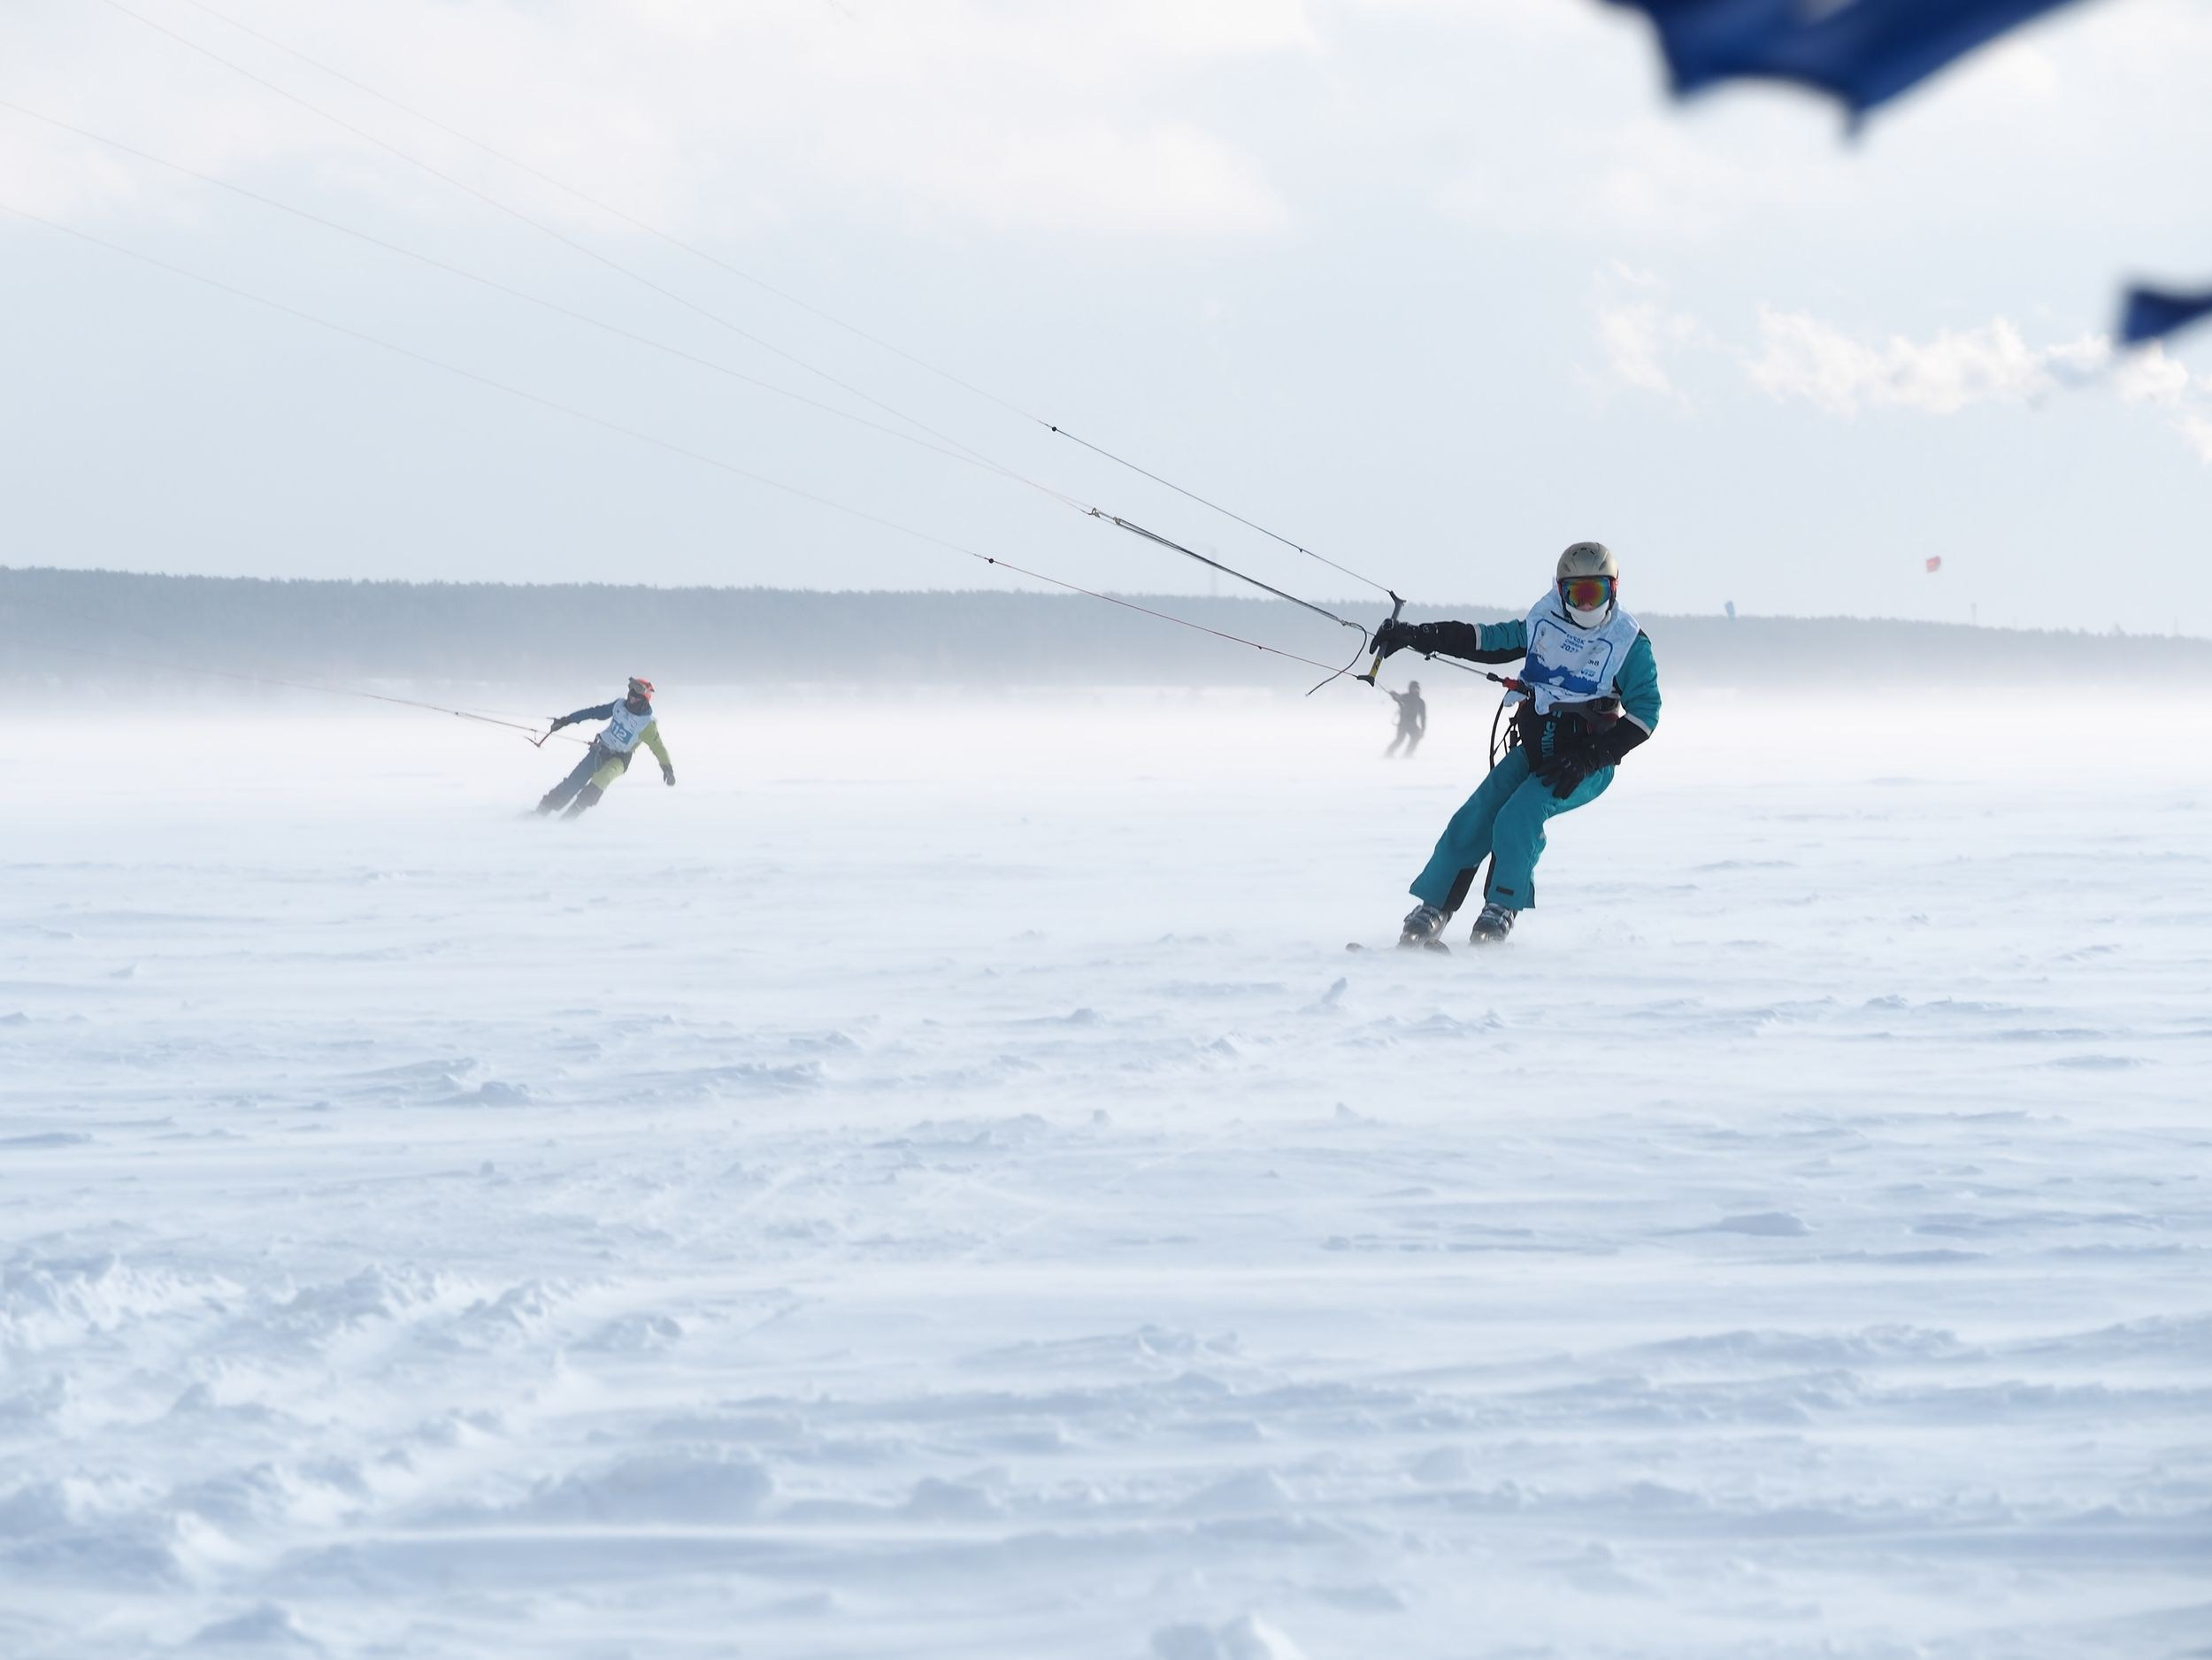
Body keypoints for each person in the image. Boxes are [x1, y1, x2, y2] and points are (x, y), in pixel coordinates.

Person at [1371, 542, 1660, 946]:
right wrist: (1418, 635)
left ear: (1613, 589)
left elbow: (1646, 714)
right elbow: (1484, 640)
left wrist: (1594, 756)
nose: (1586, 604)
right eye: (1577, 594)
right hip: (1535, 748)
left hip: (1585, 761)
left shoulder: (1629, 643)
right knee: (1474, 818)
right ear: (1561, 592)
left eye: (1596, 592)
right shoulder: (1544, 623)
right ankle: (1432, 910)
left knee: (1519, 817)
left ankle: (1500, 909)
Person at [535, 676, 676, 818]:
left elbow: (658, 748)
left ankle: (569, 819)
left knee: (600, 780)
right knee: (573, 782)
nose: (631, 699)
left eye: (636, 697)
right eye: (631, 695)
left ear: (645, 699)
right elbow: (593, 712)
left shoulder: (647, 725)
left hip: (620, 759)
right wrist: (567, 720)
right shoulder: (619, 706)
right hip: (600, 750)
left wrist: (667, 769)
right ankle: (540, 812)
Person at [1384, 680, 1426, 757]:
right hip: (1403, 723)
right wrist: (1393, 694)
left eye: (1417, 688)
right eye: (1414, 688)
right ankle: (1388, 753)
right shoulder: (1405, 697)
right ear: (1410, 689)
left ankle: (1408, 754)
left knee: (1416, 736)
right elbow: (1397, 698)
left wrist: (1423, 729)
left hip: (1412, 724)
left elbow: (1423, 717)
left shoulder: (1420, 702)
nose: (1416, 690)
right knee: (1400, 739)